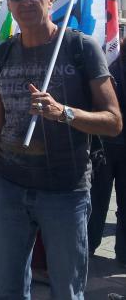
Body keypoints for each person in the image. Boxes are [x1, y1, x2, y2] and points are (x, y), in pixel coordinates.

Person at [0, 0, 122, 299]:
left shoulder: (80, 48)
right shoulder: (3, 53)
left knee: (67, 291)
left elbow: (114, 121)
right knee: (7, 288)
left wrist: (64, 113)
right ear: (8, 3)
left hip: (65, 191)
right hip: (11, 188)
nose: (26, 1)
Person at [88, 38, 126, 266]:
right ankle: (90, 246)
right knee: (97, 200)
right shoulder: (109, 69)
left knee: (104, 201)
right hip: (105, 146)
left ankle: (119, 252)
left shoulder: (110, 66)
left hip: (109, 144)